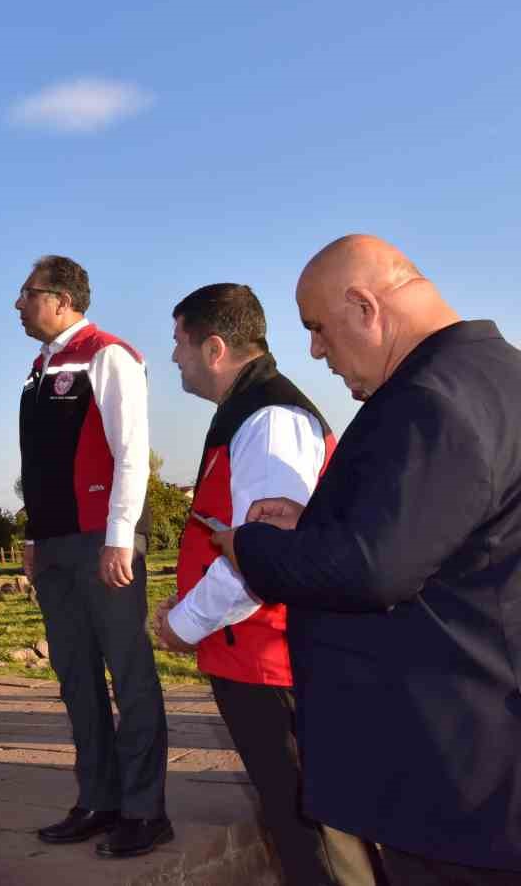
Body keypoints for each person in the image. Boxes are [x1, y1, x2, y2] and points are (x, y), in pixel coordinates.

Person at [212, 235, 521, 884]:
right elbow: (459, 540)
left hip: (470, 790)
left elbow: (371, 569)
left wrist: (253, 546)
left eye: (318, 328)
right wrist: (314, 525)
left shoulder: (428, 401)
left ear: (365, 307)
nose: (316, 350)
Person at [152, 283, 381, 885]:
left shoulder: (270, 420)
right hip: (257, 654)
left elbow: (266, 558)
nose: (174, 356)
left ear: (216, 347)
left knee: (316, 832)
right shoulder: (251, 413)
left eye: (180, 342)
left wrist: (181, 623)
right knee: (301, 825)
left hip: (273, 658)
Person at [14, 255, 171, 859]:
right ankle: (98, 800)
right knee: (76, 677)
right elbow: (41, 466)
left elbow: (132, 451)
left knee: (129, 676)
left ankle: (145, 810)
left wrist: (120, 537)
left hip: (102, 541)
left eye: (26, 294)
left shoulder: (109, 355)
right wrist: (31, 536)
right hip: (53, 544)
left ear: (60, 298)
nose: (18, 306)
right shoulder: (39, 368)